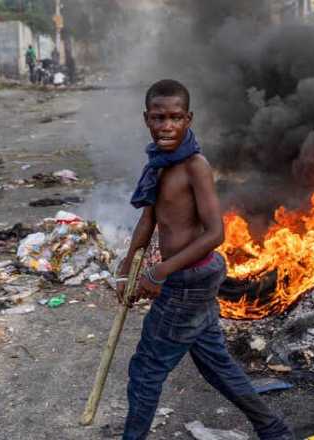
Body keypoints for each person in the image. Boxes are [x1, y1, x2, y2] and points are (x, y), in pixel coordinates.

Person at [119, 79, 293, 440]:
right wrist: (128, 265)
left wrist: (159, 271)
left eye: (175, 117)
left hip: (187, 281)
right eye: (158, 117)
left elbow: (216, 234)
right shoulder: (158, 162)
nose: (167, 125)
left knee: (146, 370)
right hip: (189, 279)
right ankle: (274, 429)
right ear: (146, 119)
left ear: (189, 119)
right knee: (217, 365)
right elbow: (148, 219)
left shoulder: (195, 166)